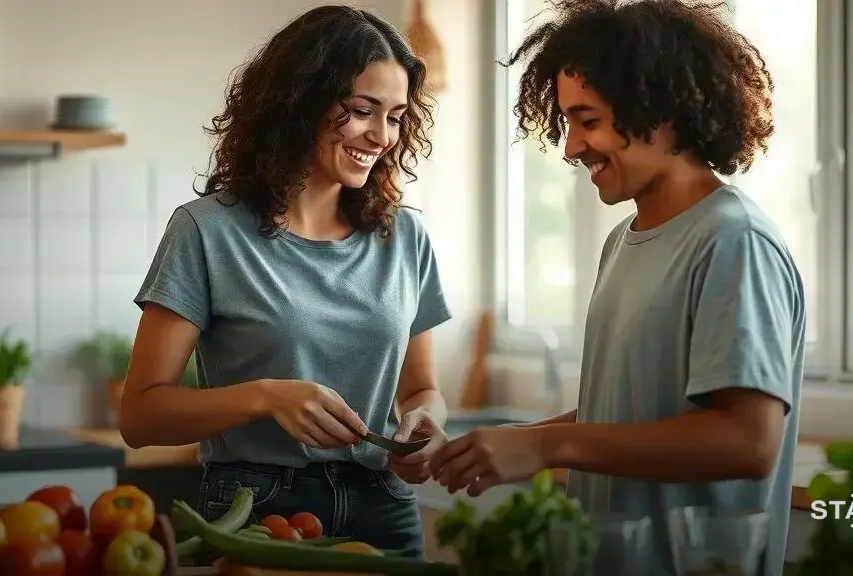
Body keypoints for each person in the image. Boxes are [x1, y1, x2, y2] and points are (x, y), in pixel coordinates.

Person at [430, 0, 805, 573]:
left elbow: (748, 442)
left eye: (590, 121)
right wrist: (522, 439)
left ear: (665, 113)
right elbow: (630, 412)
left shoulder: (734, 242)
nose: (571, 147)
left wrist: (548, 447)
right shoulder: (623, 241)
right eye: (566, 123)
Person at [118, 6, 451, 558]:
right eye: (363, 111)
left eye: (395, 116)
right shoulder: (206, 231)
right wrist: (266, 398)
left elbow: (421, 390)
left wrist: (424, 424)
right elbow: (140, 416)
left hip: (385, 505)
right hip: (258, 508)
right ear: (300, 103)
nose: (382, 136)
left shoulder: (405, 235)